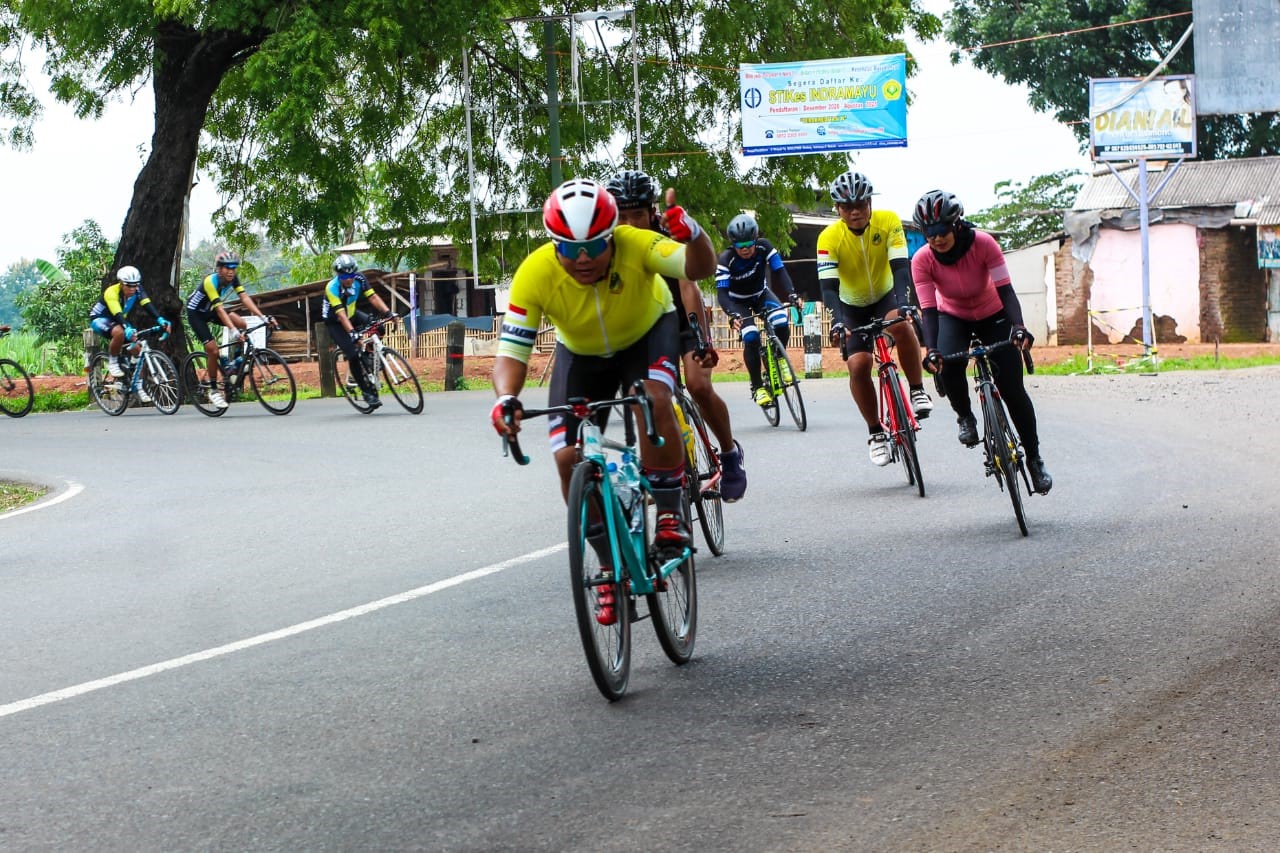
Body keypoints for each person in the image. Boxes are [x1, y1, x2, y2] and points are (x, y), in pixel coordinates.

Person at [490, 178, 716, 622]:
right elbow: (510, 353)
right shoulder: (534, 273)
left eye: (594, 246)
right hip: (582, 354)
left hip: (647, 334)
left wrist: (694, 233)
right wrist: (506, 399)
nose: (583, 259)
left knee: (651, 399)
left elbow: (697, 268)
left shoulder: (637, 243)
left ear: (612, 235)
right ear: (553, 243)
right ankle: (610, 568)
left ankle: (670, 513)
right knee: (565, 457)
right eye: (569, 249)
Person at [604, 168, 747, 502]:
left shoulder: (671, 232)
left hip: (683, 321)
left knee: (698, 385)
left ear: (652, 212)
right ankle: (659, 469)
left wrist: (701, 338)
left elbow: (688, 285)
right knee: (644, 397)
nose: (630, 224)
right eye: (621, 216)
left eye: (637, 214)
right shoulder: (608, 243)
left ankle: (729, 454)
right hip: (642, 328)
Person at [910, 189, 1053, 494]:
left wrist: (1018, 327)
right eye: (928, 234)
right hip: (953, 316)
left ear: (957, 223)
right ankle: (965, 416)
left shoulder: (984, 243)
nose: (936, 239)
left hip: (994, 313)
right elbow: (929, 311)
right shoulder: (922, 260)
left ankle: (1035, 460)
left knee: (1013, 391)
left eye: (941, 231)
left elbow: (1006, 291)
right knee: (947, 363)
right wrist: (931, 349)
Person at [818, 170, 933, 467]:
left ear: (870, 203)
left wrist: (905, 303)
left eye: (861, 204)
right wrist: (837, 321)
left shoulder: (888, 220)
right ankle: (875, 433)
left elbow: (900, 267)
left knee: (900, 323)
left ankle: (917, 390)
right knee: (858, 365)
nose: (855, 211)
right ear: (838, 209)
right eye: (847, 206)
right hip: (851, 306)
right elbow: (829, 288)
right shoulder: (828, 237)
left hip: (886, 296)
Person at [715, 212, 802, 409]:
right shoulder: (726, 259)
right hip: (738, 303)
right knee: (751, 337)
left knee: (781, 320)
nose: (745, 250)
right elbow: (722, 294)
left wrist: (792, 294)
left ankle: (780, 361)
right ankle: (757, 387)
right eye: (740, 246)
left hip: (761, 294)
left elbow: (780, 271)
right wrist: (732, 314)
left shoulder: (765, 247)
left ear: (755, 240)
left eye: (749, 245)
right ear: (733, 245)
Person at [185, 250, 278, 410]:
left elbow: (245, 298)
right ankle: (214, 390)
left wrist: (263, 317)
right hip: (196, 313)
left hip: (211, 310)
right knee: (213, 350)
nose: (231, 271)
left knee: (242, 324)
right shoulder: (210, 281)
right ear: (219, 269)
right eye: (227, 268)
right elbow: (220, 310)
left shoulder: (233, 278)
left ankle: (233, 364)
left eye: (233, 268)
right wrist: (233, 331)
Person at [323, 253, 396, 411]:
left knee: (379, 327)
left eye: (351, 274)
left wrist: (388, 313)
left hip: (351, 312)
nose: (349, 278)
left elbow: (373, 297)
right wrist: (353, 333)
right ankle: (367, 393)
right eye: (344, 275)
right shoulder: (332, 288)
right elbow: (341, 315)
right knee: (353, 355)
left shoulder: (360, 279)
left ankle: (369, 355)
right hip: (335, 320)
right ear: (339, 275)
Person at [88, 265, 170, 401]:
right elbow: (117, 313)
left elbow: (147, 305)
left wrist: (160, 319)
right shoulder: (111, 292)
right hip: (101, 319)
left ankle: (138, 384)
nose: (132, 289)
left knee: (139, 350)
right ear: (121, 283)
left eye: (135, 285)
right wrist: (127, 327)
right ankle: (113, 361)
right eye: (129, 286)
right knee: (120, 332)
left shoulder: (138, 289)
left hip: (119, 320)